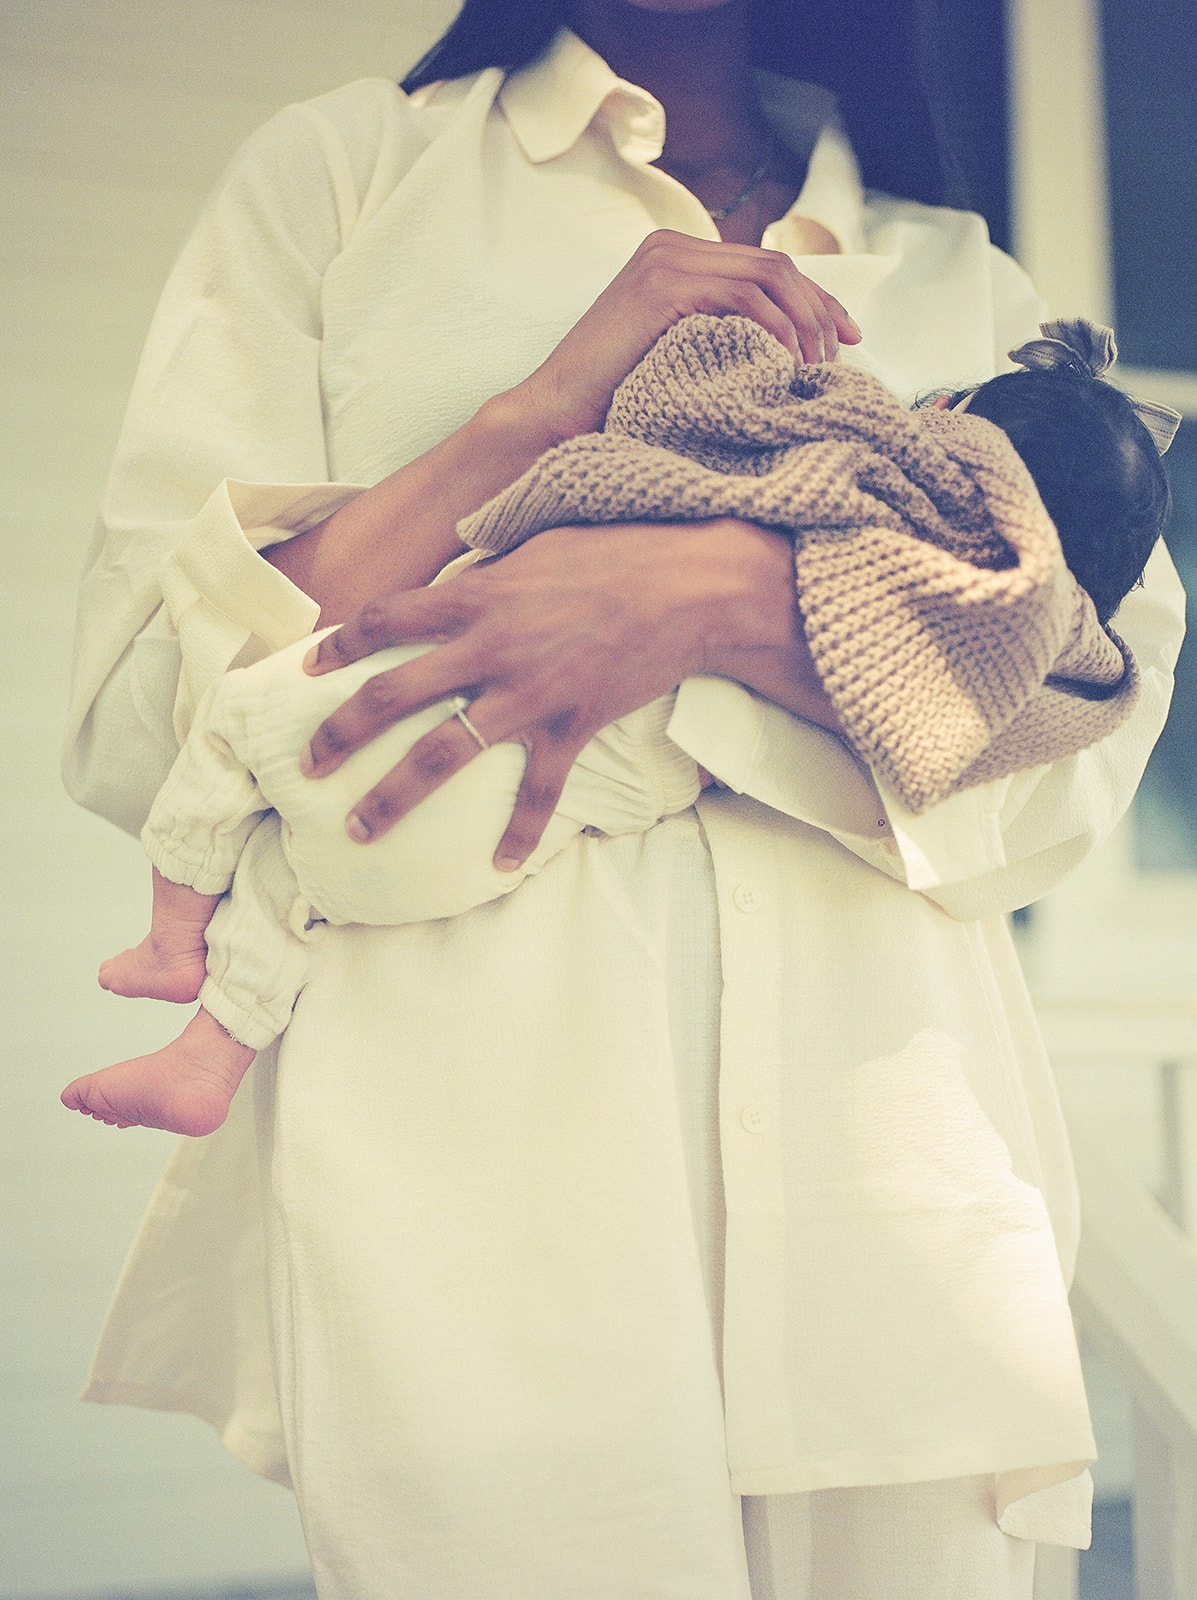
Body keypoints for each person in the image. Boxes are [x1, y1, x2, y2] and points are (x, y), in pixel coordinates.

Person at [62, 1, 1188, 1596]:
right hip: (473, 1191)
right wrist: (533, 414)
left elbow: (1084, 736)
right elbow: (154, 707)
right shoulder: (346, 176)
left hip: (896, 1207)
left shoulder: (966, 281)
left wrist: (711, 599)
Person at [61, 313, 1177, 1142]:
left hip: (436, 763)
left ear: (947, 428)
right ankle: (211, 1054)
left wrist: (713, 580)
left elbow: (713, 407)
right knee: (294, 883)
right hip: (467, 864)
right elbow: (123, 704)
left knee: (243, 728)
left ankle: (176, 945)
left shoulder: (862, 449)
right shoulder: (1000, 630)